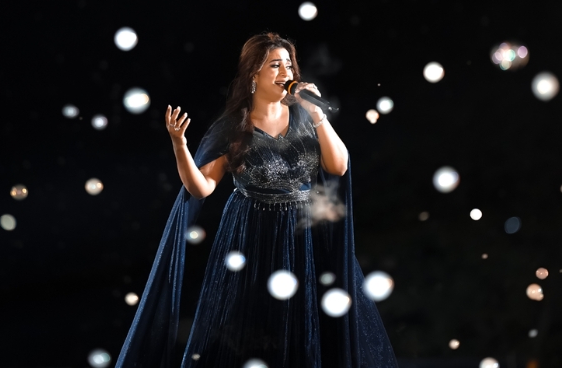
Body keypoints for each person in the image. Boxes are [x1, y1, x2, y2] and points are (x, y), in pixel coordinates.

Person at [114, 32, 398, 368]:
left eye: (289, 64)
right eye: (275, 65)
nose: (285, 72)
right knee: (253, 329)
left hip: (306, 234)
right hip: (253, 235)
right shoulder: (233, 126)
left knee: (309, 325)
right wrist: (180, 146)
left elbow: (338, 166)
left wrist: (318, 115)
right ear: (253, 74)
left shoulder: (305, 116)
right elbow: (201, 188)